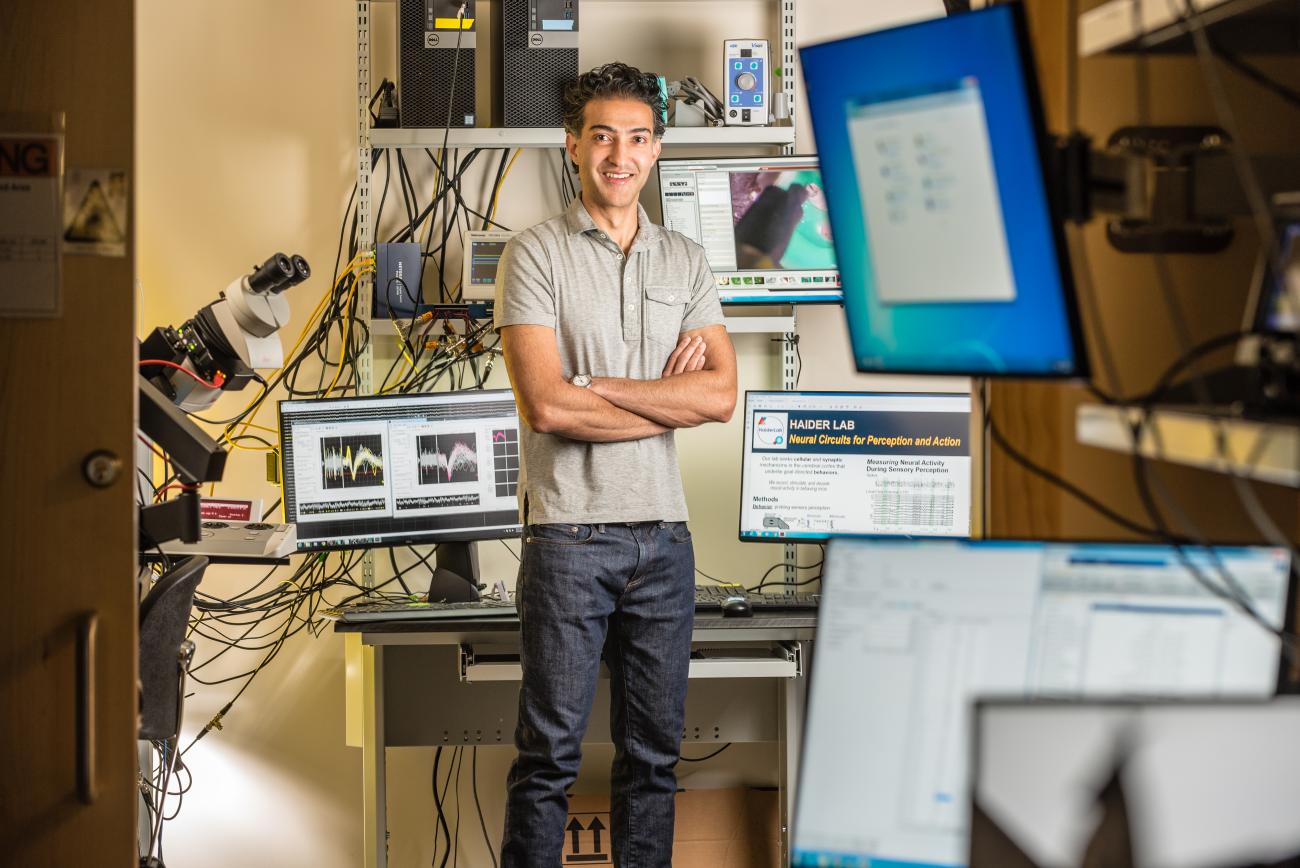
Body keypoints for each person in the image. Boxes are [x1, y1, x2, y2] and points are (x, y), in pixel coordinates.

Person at [493, 61, 737, 867]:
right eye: (603, 137)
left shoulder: (687, 261)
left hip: (666, 541)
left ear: (658, 149)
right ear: (573, 146)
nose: (619, 155)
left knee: (654, 760)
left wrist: (600, 387)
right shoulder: (533, 255)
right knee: (549, 761)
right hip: (567, 538)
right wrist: (662, 399)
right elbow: (548, 408)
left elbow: (720, 397)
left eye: (637, 138)